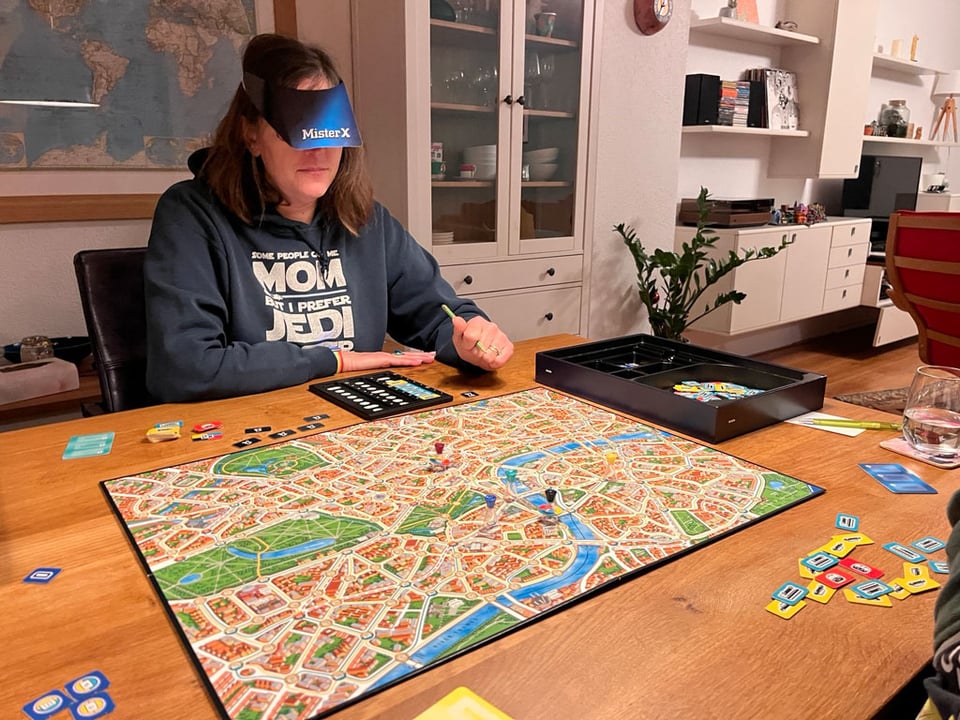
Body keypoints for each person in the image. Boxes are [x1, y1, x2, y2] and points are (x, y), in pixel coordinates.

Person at [144, 33, 513, 403]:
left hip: (352, 420)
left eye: (330, 130)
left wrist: (471, 338)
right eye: (299, 131)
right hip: (247, 425)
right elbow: (184, 367)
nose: (319, 150)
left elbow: (439, 316)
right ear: (251, 135)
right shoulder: (191, 215)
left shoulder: (367, 220)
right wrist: (333, 361)